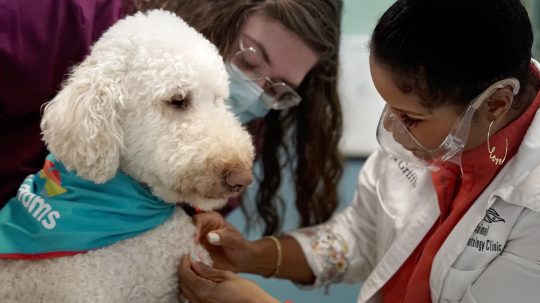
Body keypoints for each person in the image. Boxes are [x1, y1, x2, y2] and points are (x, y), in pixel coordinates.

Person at [178, 0, 540, 302]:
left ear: (495, 104)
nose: (395, 134)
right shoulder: (435, 134)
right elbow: (361, 234)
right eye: (389, 108)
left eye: (411, 118)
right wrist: (254, 255)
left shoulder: (533, 203)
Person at [0, 0, 344, 235]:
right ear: (214, 9)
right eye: (251, 61)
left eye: (278, 88)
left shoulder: (234, 132)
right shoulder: (58, 17)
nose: (255, 92)